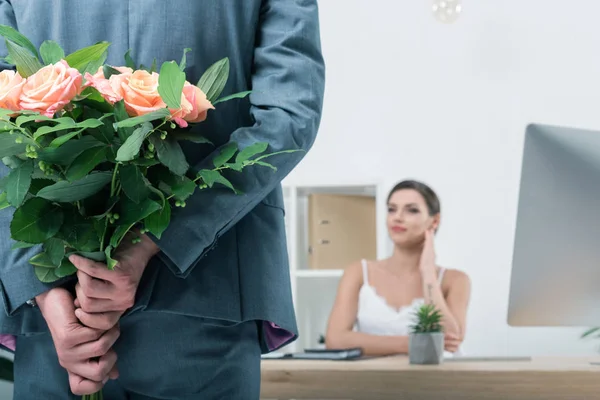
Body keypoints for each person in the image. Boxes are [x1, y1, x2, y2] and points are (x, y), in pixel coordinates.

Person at [0, 1, 325, 399]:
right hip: (208, 292)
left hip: (61, 312)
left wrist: (44, 289)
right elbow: (288, 118)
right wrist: (158, 238)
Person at [324, 180, 471, 357]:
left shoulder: (454, 280)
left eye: (412, 210)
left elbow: (451, 341)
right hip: (372, 382)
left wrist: (428, 274)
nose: (398, 217)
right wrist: (413, 343)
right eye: (392, 209)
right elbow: (335, 339)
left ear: (435, 220)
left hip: (436, 382)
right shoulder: (359, 272)